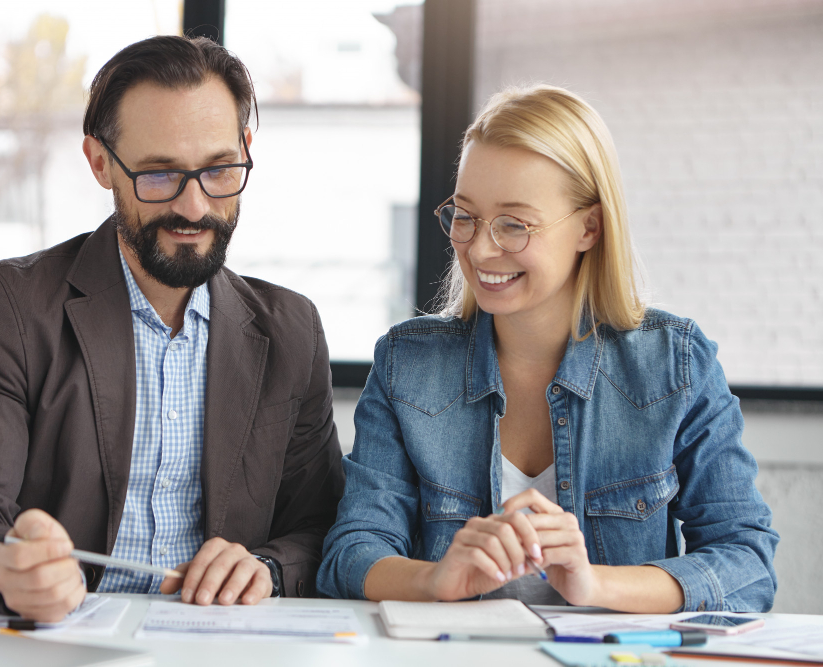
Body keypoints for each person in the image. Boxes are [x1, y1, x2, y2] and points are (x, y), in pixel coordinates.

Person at [0, 36, 344, 622]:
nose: (194, 207)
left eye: (218, 170)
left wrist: (265, 568)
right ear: (100, 162)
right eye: (160, 176)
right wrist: (4, 566)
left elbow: (322, 530)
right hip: (56, 643)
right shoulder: (9, 306)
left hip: (222, 647)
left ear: (243, 150)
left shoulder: (293, 331)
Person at [317, 84, 778, 612]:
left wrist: (595, 584)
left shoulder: (675, 364)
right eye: (465, 216)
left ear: (589, 227)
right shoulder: (407, 364)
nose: (481, 247)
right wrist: (438, 579)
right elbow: (351, 553)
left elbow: (747, 564)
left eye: (514, 224)